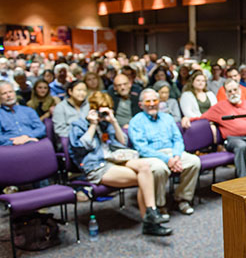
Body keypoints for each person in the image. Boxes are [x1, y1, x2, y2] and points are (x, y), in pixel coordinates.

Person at [68, 92, 171, 236]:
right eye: (100, 109)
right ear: (92, 109)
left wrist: (114, 121)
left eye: (107, 108)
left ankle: (151, 213)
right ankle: (150, 221)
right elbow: (80, 147)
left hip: (116, 160)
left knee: (145, 168)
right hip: (97, 166)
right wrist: (93, 125)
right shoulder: (78, 125)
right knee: (144, 178)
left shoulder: (107, 123)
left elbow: (122, 142)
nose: (103, 113)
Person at [128, 88, 201, 216]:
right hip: (151, 155)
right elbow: (142, 148)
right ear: (141, 105)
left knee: (194, 161)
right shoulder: (136, 122)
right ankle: (159, 205)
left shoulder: (167, 118)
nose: (152, 104)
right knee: (159, 169)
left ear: (159, 102)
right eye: (148, 101)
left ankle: (182, 199)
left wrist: (176, 156)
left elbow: (177, 139)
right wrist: (167, 160)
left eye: (155, 100)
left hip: (172, 153)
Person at [0, 81, 46, 146]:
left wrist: (26, 137)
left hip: (32, 142)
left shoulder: (28, 110)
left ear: (15, 93)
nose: (8, 95)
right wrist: (14, 141)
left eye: (10, 92)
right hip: (10, 148)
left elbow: (41, 129)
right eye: (4, 93)